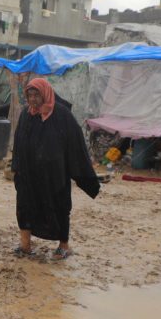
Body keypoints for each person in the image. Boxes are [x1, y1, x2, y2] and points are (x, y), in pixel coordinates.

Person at [11, 78, 100, 260]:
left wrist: (85, 177)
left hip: (54, 175)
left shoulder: (62, 115)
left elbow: (76, 145)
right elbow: (18, 143)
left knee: (59, 207)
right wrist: (17, 168)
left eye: (37, 95)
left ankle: (64, 246)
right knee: (25, 206)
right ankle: (25, 245)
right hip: (29, 174)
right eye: (30, 95)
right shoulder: (26, 114)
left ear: (45, 93)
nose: (33, 99)